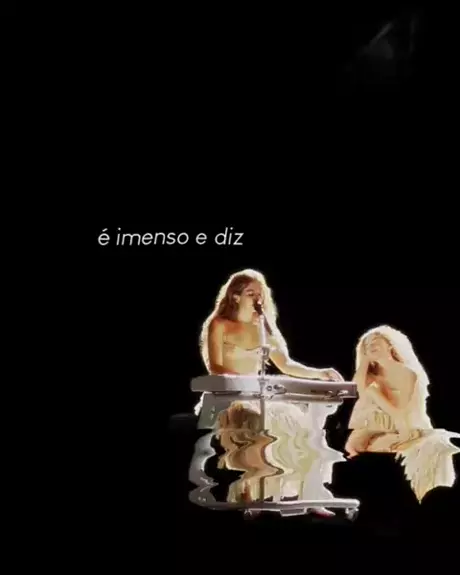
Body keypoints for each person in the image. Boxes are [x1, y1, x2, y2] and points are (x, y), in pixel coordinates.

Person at [199, 268, 344, 382]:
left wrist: (320, 373)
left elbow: (286, 365)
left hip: (254, 393)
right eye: (250, 294)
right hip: (226, 392)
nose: (257, 300)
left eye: (259, 295)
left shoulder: (264, 325)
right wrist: (243, 383)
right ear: (236, 297)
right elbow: (215, 367)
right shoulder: (219, 324)